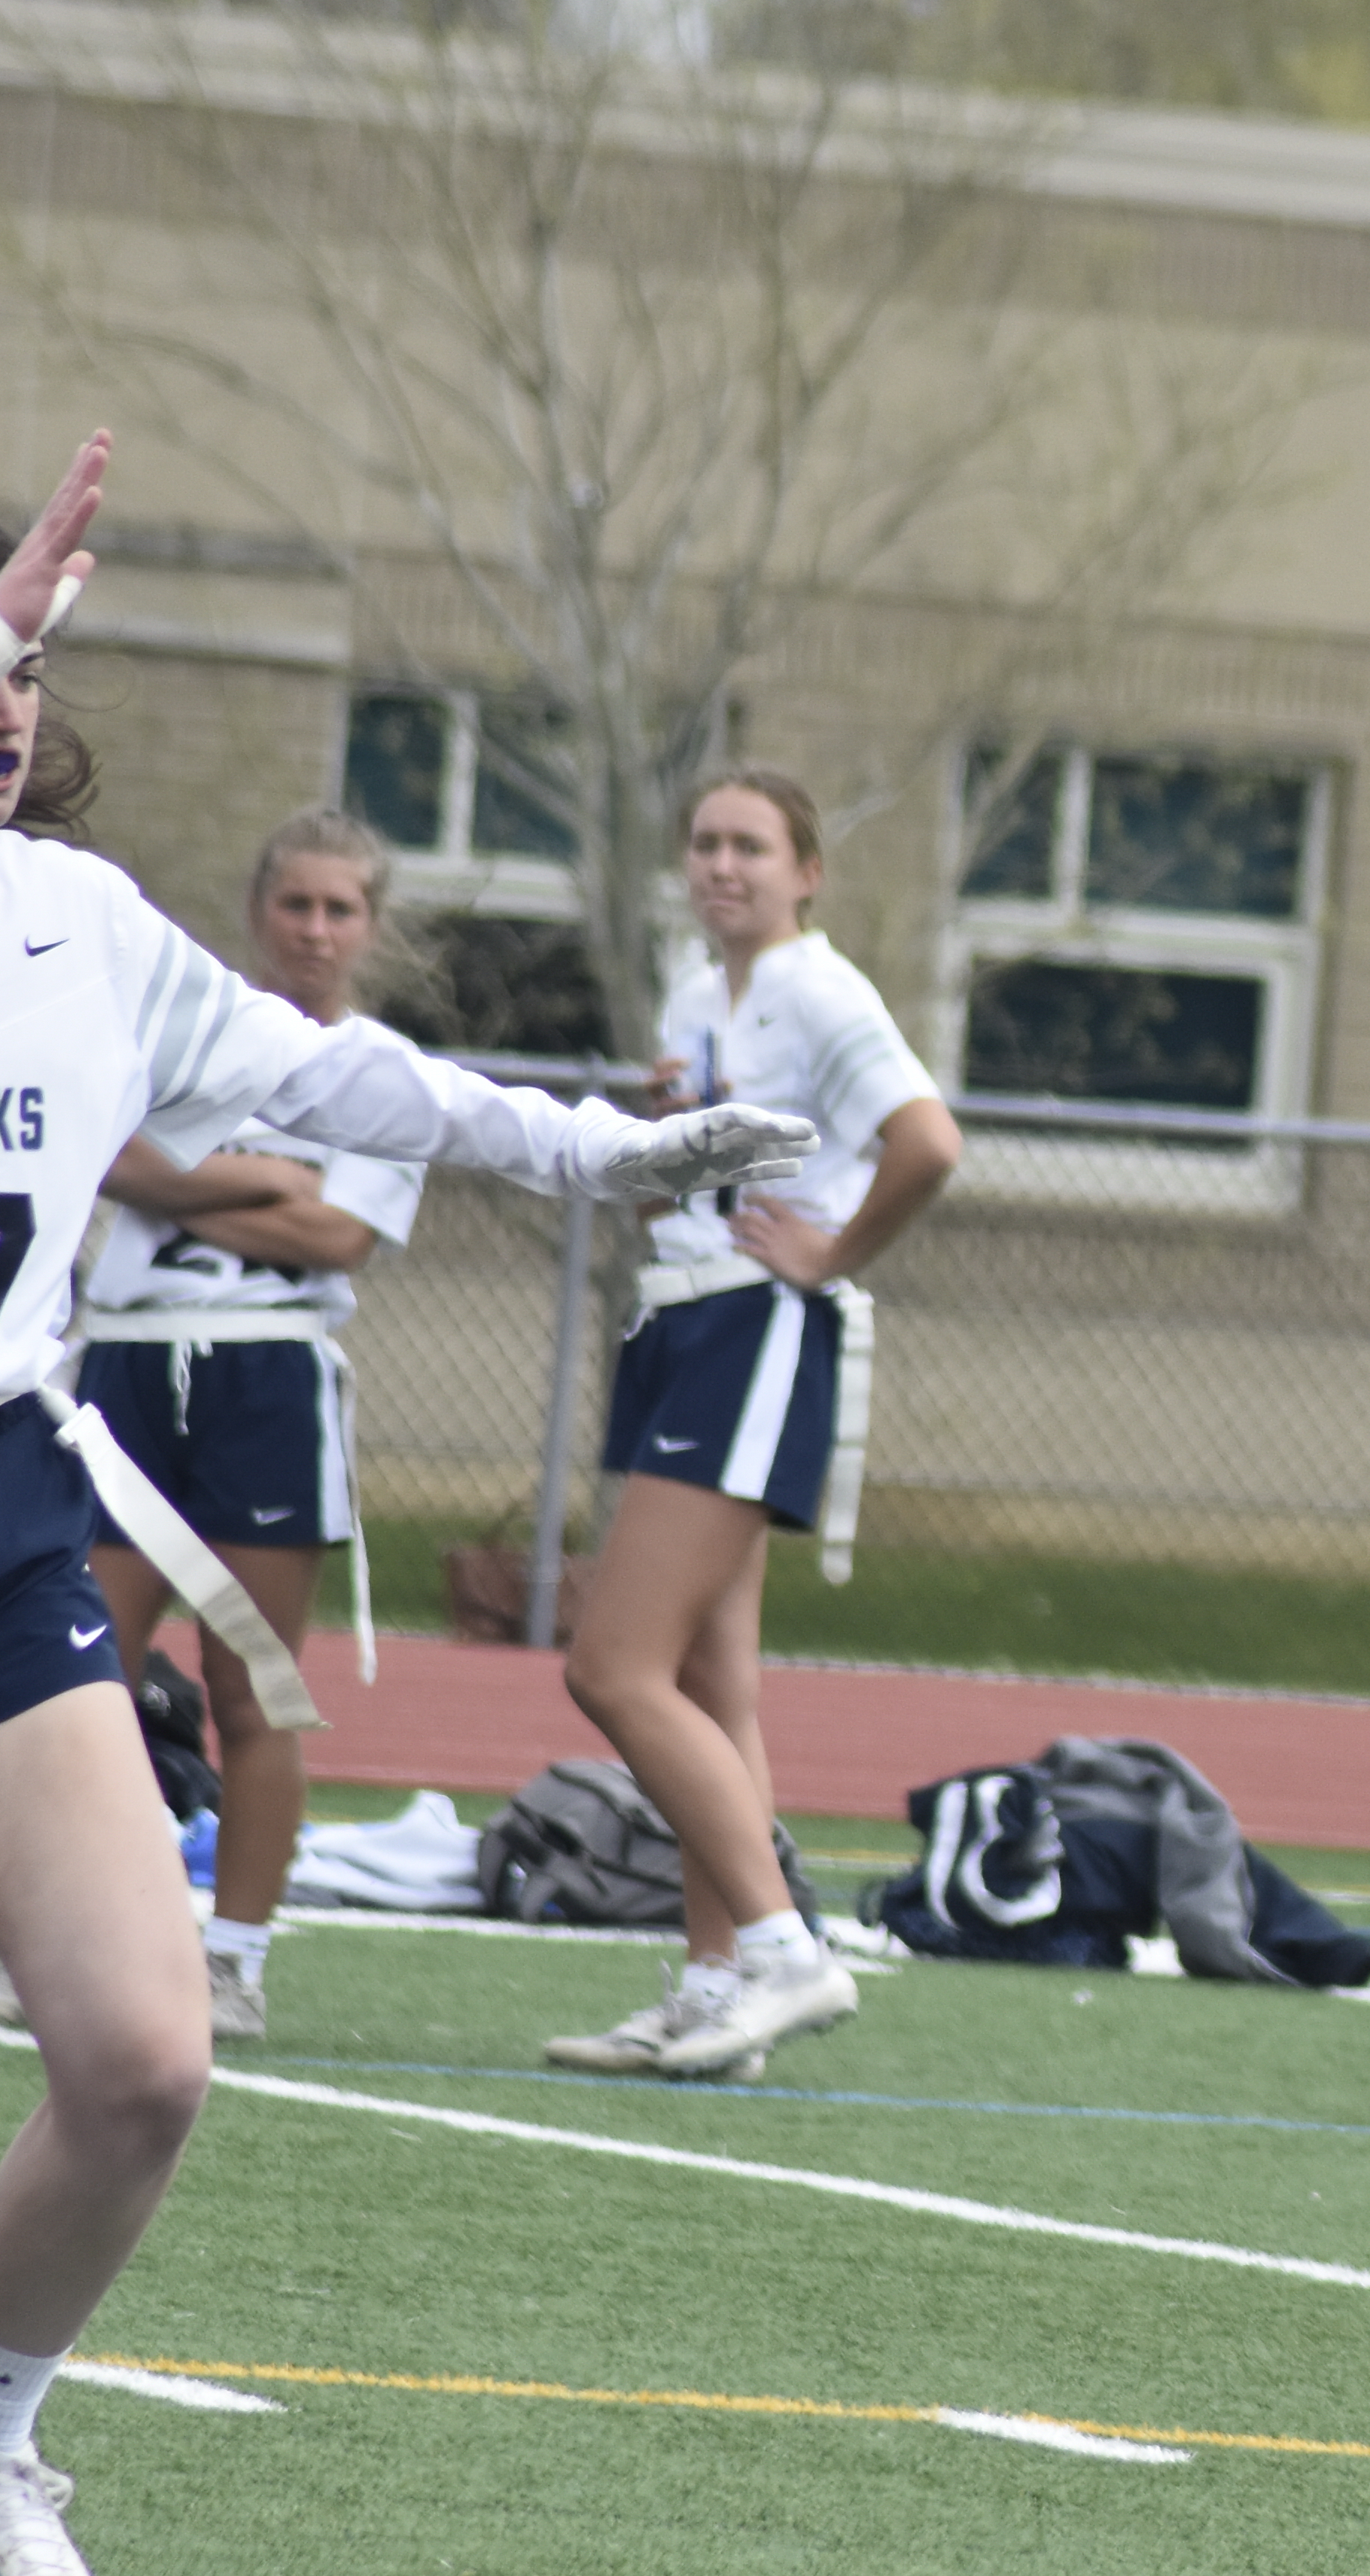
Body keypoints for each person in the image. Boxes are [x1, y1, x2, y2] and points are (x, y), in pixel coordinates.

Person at [0, 434, 812, 2576]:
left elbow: (368, 1092)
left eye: (37, 662)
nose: (4, 693)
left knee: (144, 2055)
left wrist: (609, 1152)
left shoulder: (83, 927)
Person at [543, 768, 958, 2083]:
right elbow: (732, 1141)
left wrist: (833, 1255)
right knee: (717, 1684)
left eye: (752, 847)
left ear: (806, 870)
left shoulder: (822, 989)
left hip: (752, 1328)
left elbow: (928, 1142)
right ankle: (718, 1983)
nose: (722, 866)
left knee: (612, 1666)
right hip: (683, 1319)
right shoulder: (694, 983)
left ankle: (786, 1952)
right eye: (706, 844)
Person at [72, 811, 424, 2041]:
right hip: (125, 1367)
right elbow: (113, 1162)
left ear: (370, 928)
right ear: (259, 910)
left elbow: (341, 1237)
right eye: (296, 905)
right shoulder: (188, 1030)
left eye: (341, 910)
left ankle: (235, 1964)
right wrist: (269, 1179)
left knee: (251, 1685)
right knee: (78, 1672)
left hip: (268, 1384)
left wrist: (194, 1188)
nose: (315, 930)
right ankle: (81, 1945)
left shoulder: (380, 1069)